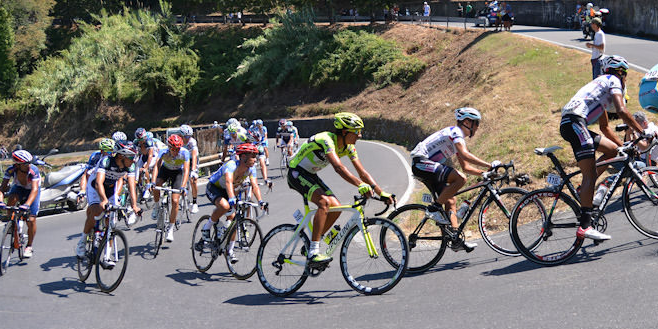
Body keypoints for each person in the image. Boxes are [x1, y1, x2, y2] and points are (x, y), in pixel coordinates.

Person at [286, 112, 394, 268]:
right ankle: (313, 253)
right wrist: (359, 185)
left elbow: (362, 172)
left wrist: (380, 192)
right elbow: (338, 167)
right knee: (324, 203)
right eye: (356, 132)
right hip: (296, 173)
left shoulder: (349, 147)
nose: (360, 135)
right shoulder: (326, 139)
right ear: (344, 132)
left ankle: (312, 243)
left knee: (336, 207)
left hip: (310, 174)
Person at [561, 55, 651, 241]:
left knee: (612, 151)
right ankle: (585, 225)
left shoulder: (599, 86)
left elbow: (605, 128)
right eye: (625, 76)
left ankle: (583, 191)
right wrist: (642, 132)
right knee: (590, 175)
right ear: (621, 72)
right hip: (575, 123)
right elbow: (622, 111)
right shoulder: (613, 81)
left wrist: (623, 146)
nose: (624, 80)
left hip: (573, 123)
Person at [409, 108, 496, 252]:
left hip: (427, 166)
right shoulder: (456, 132)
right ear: (467, 122)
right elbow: (465, 155)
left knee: (450, 200)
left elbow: (466, 167)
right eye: (476, 123)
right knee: (460, 179)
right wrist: (490, 165)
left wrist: (485, 173)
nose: (478, 127)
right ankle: (434, 208)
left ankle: (456, 239)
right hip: (421, 163)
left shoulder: (456, 138)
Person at [76, 141, 140, 261]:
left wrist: (134, 205)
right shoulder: (106, 161)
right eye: (131, 156)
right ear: (121, 155)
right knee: (96, 211)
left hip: (111, 189)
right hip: (95, 187)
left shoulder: (130, 166)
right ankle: (82, 241)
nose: (134, 160)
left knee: (111, 221)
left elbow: (132, 187)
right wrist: (104, 200)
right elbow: (98, 182)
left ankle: (107, 255)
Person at [200, 142, 265, 244]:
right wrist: (231, 198)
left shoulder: (251, 169)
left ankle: (229, 251)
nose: (255, 159)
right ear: (243, 157)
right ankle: (206, 227)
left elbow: (255, 186)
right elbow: (228, 182)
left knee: (234, 220)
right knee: (225, 206)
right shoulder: (231, 165)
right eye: (253, 156)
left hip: (229, 190)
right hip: (215, 187)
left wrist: (261, 201)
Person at [0, 150, 41, 259]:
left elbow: (34, 190)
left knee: (31, 219)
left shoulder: (33, 170)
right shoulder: (11, 170)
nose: (28, 165)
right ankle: (11, 221)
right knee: (12, 199)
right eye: (26, 164)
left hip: (32, 191)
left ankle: (29, 246)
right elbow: (2, 188)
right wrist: (0, 201)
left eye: (29, 162)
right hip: (19, 188)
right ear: (18, 165)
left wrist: (27, 205)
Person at [150, 134, 191, 243]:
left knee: (175, 200)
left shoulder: (184, 153)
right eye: (173, 149)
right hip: (165, 170)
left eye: (178, 149)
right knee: (157, 185)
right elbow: (156, 167)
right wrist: (153, 182)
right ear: (169, 147)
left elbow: (186, 170)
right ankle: (157, 207)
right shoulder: (163, 152)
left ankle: (171, 229)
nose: (176, 151)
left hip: (177, 173)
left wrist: (183, 186)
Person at [179, 124, 200, 214]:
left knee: (193, 180)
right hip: (181, 158)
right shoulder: (178, 140)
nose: (188, 138)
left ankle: (195, 202)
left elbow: (194, 155)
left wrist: (194, 170)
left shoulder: (192, 142)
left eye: (189, 136)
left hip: (192, 159)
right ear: (181, 135)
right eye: (186, 136)